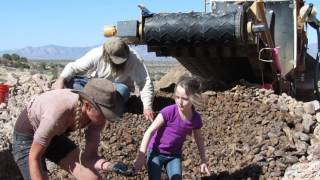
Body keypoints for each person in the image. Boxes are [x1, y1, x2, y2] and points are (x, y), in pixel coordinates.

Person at [12, 78, 133, 180]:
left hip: (54, 135)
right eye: (104, 113)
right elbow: (34, 157)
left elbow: (90, 158)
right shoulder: (57, 114)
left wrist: (111, 166)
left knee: (92, 177)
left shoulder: (97, 118)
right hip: (28, 137)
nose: (106, 118)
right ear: (87, 105)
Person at [52, 37, 155, 121]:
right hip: (95, 85)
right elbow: (74, 67)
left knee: (123, 91)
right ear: (107, 55)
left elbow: (145, 82)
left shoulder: (134, 58)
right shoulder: (97, 54)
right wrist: (61, 79)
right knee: (71, 82)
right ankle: (93, 106)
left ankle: (93, 106)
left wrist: (147, 107)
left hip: (116, 89)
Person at [133, 75, 211, 180]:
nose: (180, 102)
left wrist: (203, 160)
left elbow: (199, 140)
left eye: (185, 98)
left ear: (194, 98)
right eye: (177, 97)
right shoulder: (168, 112)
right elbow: (149, 132)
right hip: (156, 153)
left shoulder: (195, 118)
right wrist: (141, 157)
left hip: (174, 155)